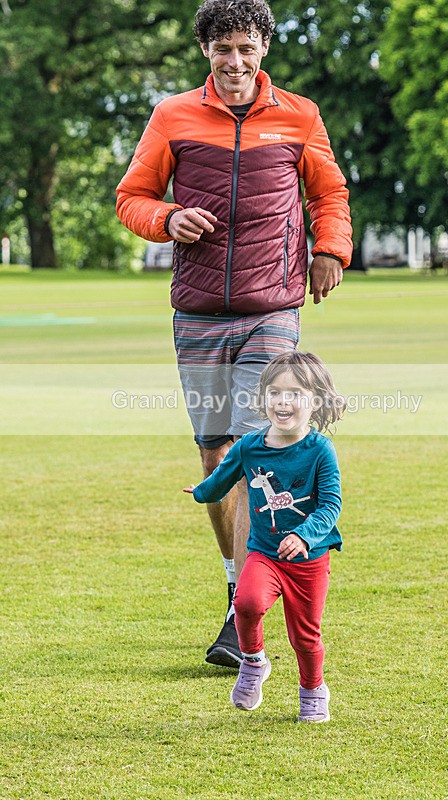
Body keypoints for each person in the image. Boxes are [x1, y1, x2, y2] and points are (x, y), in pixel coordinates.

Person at [116, 0, 353, 669]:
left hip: (272, 306)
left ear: (264, 49)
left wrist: (330, 249)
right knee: (216, 455)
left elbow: (327, 194)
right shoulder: (173, 116)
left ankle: (242, 607)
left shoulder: (298, 115)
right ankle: (233, 584)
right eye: (223, 48)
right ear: (205, 52)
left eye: (246, 48)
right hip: (195, 311)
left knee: (258, 441)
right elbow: (131, 196)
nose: (235, 62)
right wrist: (167, 219)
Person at [183, 352, 345, 722]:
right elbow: (222, 479)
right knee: (246, 602)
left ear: (315, 400)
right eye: (275, 392)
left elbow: (331, 505)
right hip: (265, 554)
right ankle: (254, 662)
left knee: (305, 638)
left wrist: (304, 536)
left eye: (294, 393)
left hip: (308, 560)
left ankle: (312, 688)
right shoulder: (249, 446)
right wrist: (200, 493)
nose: (283, 401)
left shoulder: (320, 451)